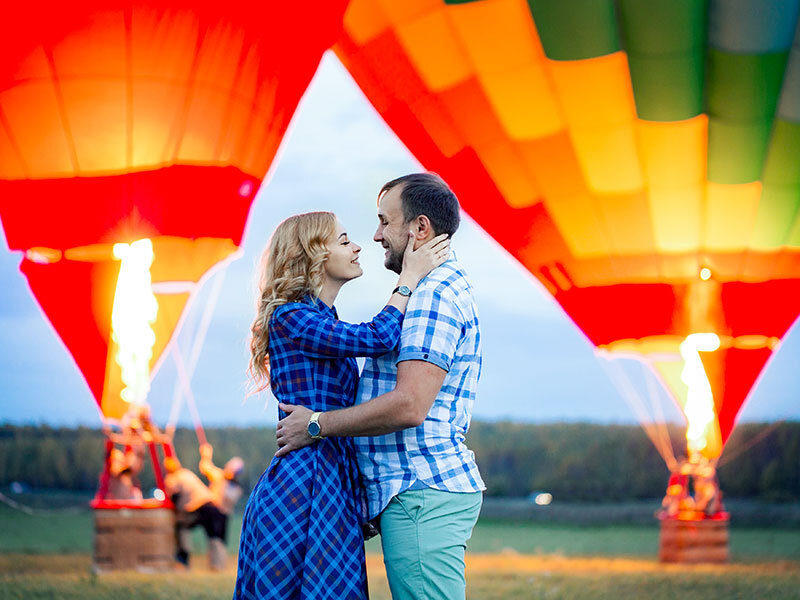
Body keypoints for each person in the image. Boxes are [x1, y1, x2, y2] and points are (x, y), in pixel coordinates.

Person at [277, 173, 485, 600]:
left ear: (419, 229)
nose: (373, 237)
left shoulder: (431, 295)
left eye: (383, 222)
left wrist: (315, 424)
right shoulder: (302, 316)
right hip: (373, 488)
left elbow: (409, 404)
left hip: (418, 488)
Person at [233, 211, 449, 599]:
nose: (357, 246)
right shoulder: (291, 317)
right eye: (344, 239)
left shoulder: (323, 318)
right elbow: (379, 337)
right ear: (313, 253)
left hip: (332, 478)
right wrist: (408, 279)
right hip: (300, 486)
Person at [164, 455, 226, 569]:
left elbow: (175, 496)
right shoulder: (186, 473)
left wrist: (175, 510)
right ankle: (218, 565)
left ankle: (183, 559)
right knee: (214, 536)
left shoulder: (172, 478)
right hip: (212, 505)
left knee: (181, 526)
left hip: (198, 508)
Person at [199, 443, 244, 568]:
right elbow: (205, 467)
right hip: (213, 512)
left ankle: (219, 564)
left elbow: (229, 499)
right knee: (213, 538)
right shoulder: (219, 476)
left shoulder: (235, 488)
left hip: (223, 514)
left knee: (220, 540)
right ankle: (214, 564)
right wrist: (206, 455)